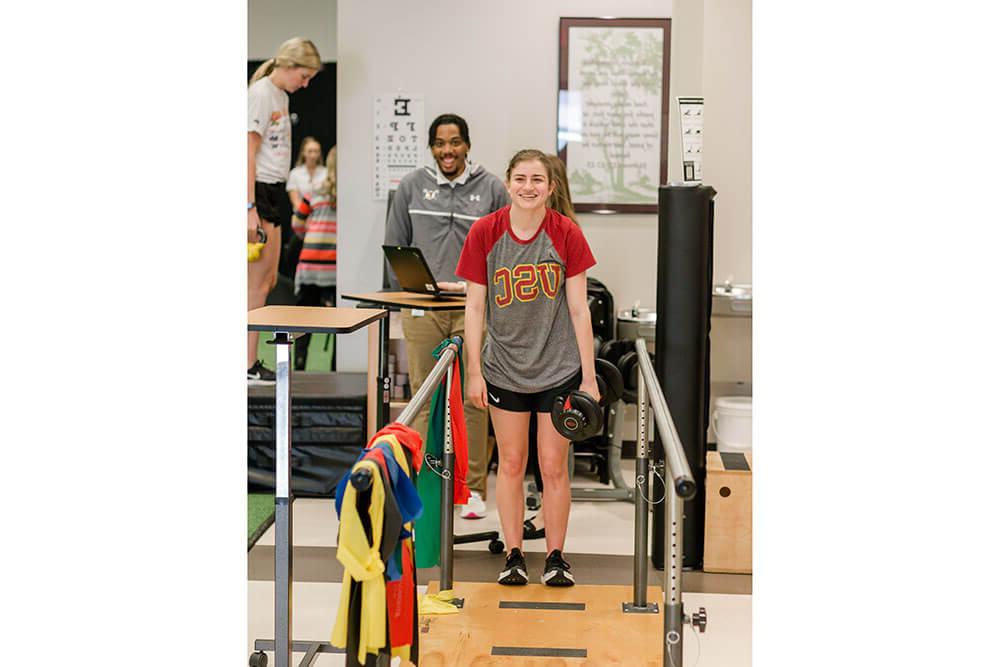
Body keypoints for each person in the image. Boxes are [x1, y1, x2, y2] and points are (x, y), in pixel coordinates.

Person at [456, 149, 599, 587]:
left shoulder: (566, 233)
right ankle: (514, 553)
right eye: (521, 178)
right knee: (512, 462)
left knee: (553, 466)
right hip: (504, 369)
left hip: (557, 368)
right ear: (508, 182)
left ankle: (556, 556)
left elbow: (579, 309)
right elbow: (475, 307)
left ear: (550, 188)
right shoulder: (485, 232)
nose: (529, 187)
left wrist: (590, 378)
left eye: (538, 180)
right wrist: (475, 371)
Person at [383, 113, 509, 519]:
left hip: (472, 309)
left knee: (474, 398)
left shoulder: (491, 188)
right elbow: (395, 247)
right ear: (431, 147)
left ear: (467, 145)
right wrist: (408, 290)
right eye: (439, 143)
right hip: (424, 309)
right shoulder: (411, 187)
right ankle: (422, 486)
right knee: (422, 395)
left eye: (455, 142)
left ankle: (472, 489)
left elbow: (507, 249)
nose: (447, 151)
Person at [247, 37, 322, 384]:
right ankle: (246, 366)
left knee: (269, 280)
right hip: (258, 191)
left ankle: (249, 362)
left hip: (274, 190)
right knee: (255, 285)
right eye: (304, 76)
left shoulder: (281, 95)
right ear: (289, 65)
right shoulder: (261, 94)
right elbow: (246, 152)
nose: (305, 84)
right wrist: (248, 208)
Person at [291, 147, 338, 370]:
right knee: (341, 322)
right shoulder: (349, 196)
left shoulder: (315, 191)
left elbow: (297, 223)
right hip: (335, 266)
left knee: (303, 321)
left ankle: (299, 364)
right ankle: (336, 367)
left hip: (310, 262)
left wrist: (310, 234)